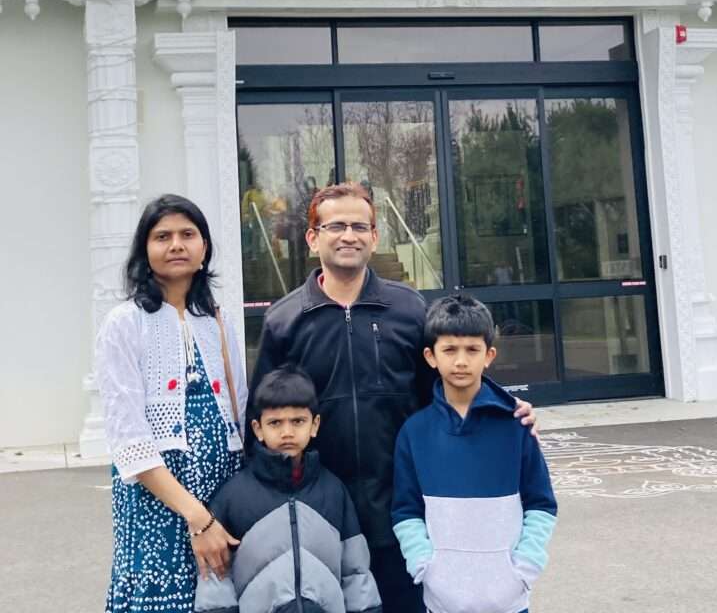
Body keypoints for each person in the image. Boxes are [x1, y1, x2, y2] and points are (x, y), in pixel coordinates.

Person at [247, 182, 538, 613]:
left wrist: (501, 407)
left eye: (360, 226)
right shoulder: (284, 319)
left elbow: (448, 381)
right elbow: (263, 412)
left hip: (406, 510)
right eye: (336, 225)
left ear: (375, 237)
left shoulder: (409, 309)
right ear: (313, 237)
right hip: (321, 513)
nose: (349, 235)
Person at [96, 194, 248, 613]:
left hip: (221, 490)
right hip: (157, 499)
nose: (176, 244)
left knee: (218, 597)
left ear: (204, 249)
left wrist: (217, 513)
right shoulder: (124, 324)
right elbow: (130, 441)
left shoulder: (217, 319)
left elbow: (242, 410)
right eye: (163, 236)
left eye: (188, 234)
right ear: (145, 250)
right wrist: (197, 518)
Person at [391, 294, 557, 613]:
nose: (461, 361)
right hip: (441, 602)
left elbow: (541, 504)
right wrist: (425, 568)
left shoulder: (516, 426)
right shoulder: (415, 432)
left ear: (489, 355)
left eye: (472, 350)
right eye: (449, 350)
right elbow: (405, 511)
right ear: (430, 356)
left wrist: (523, 571)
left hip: (510, 601)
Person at [194, 364, 382, 613]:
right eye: (275, 423)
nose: (287, 432)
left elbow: (355, 570)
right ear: (257, 429)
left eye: (297, 421)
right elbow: (217, 577)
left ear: (314, 425)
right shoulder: (233, 496)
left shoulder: (334, 491)